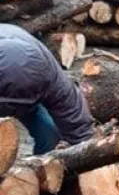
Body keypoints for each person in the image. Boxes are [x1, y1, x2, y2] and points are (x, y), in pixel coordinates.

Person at [0, 24, 94, 154]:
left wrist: (88, 153)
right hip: (8, 71)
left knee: (50, 134)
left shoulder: (52, 77)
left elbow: (76, 122)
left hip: (29, 98)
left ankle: (41, 165)